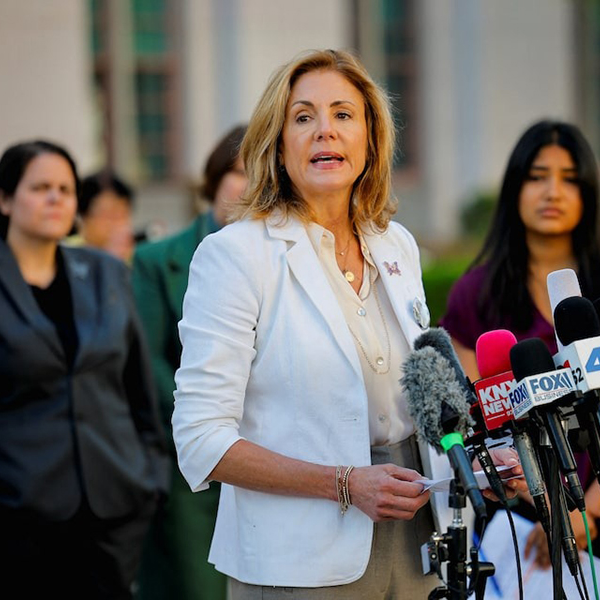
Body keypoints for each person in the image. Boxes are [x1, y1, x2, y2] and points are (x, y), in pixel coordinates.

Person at [171, 49, 524, 598]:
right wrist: (344, 484)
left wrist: (477, 463)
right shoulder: (234, 256)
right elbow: (201, 440)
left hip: (417, 541)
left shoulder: (396, 245)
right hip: (295, 559)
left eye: (343, 114)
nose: (324, 132)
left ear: (370, 138)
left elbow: (421, 399)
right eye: (303, 117)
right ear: (278, 144)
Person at [0, 140, 168, 600]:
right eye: (40, 187)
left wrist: (150, 477)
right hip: (4, 523)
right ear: (3, 199)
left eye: (65, 188)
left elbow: (137, 388)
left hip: (110, 516)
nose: (56, 198)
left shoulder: (107, 273)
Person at [440, 120, 600, 585]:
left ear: (588, 193)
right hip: (515, 525)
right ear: (514, 188)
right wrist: (548, 508)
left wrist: (588, 514)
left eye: (569, 178)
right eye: (537, 176)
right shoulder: (475, 295)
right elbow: (480, 430)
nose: (552, 191)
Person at [132, 124, 248, 600]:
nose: (252, 186)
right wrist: (213, 419)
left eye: (265, 173)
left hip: (275, 459)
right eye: (241, 172)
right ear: (215, 178)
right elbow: (148, 360)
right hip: (191, 465)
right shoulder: (158, 259)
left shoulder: (283, 260)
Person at [70, 169, 136, 263]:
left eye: (123, 215)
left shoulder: (137, 259)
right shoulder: (66, 253)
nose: (117, 223)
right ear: (83, 215)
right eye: (109, 215)